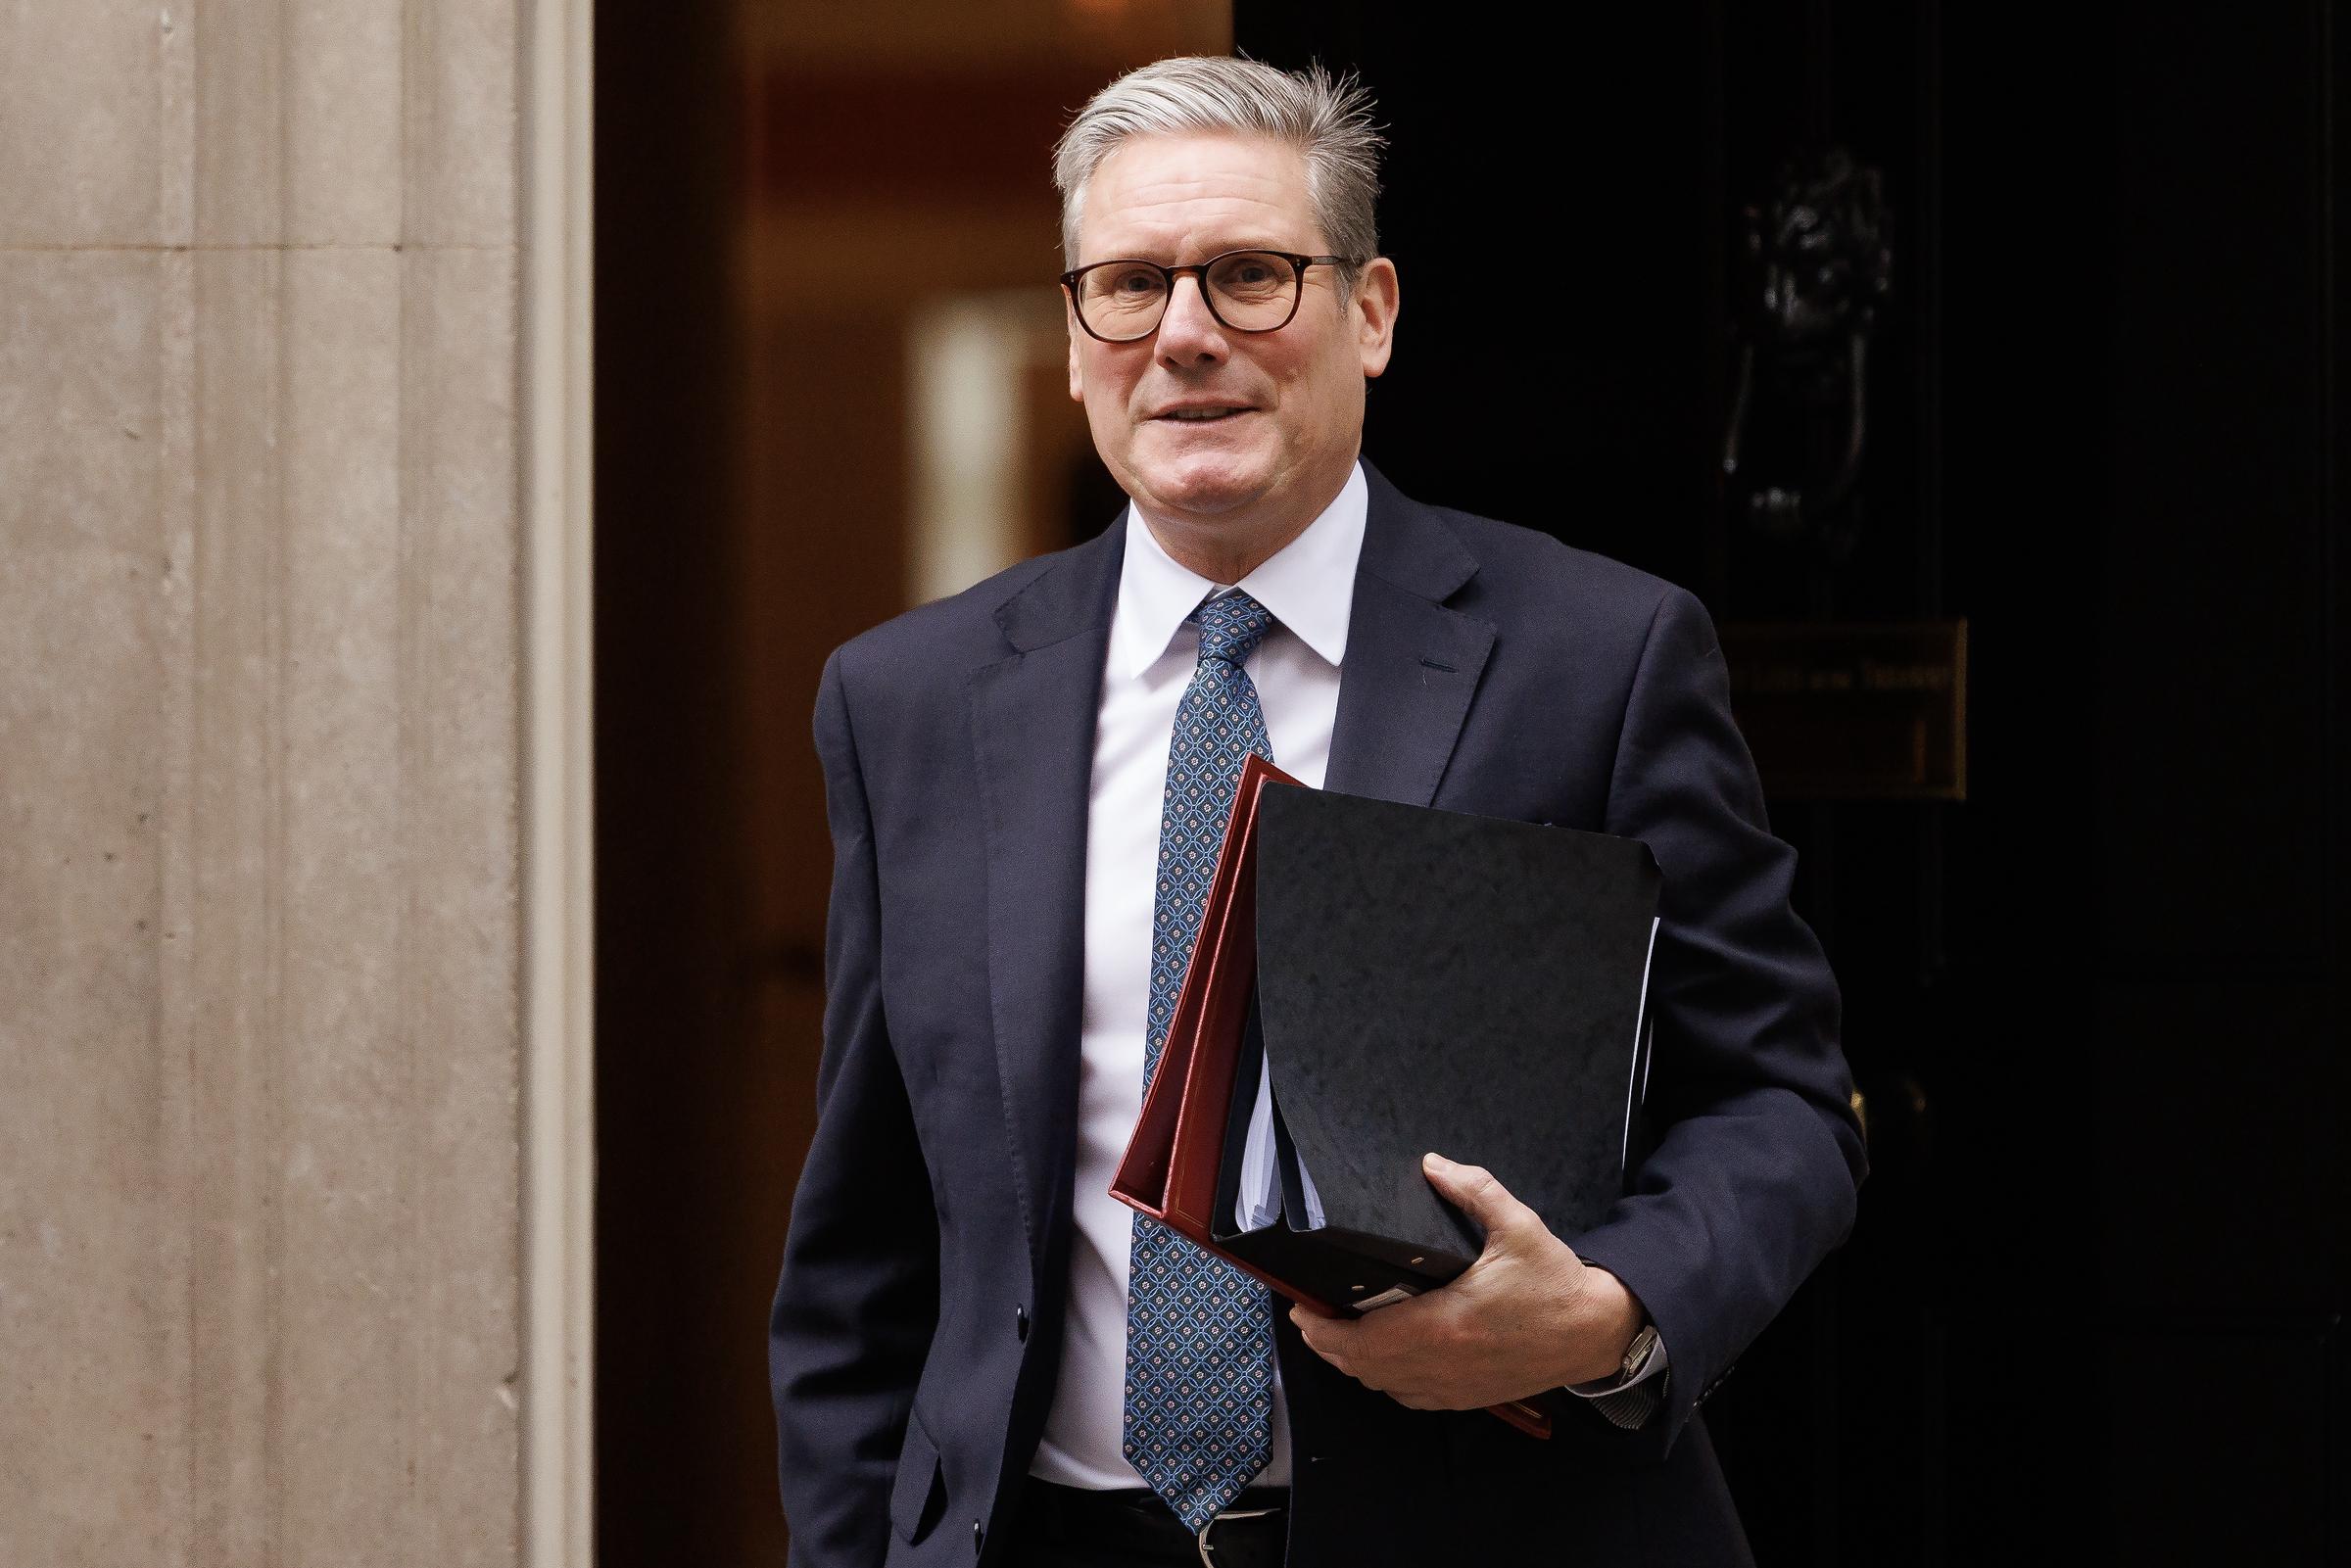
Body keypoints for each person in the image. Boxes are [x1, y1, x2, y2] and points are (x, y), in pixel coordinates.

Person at [770, 56, 1864, 1568]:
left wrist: (1607, 1314)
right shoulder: (911, 702)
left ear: (1373, 312)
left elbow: (1785, 1100)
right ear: (1078, 336)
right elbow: (865, 1246)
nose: (1188, 336)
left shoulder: (1594, 658)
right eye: (1131, 285)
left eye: (1250, 275)